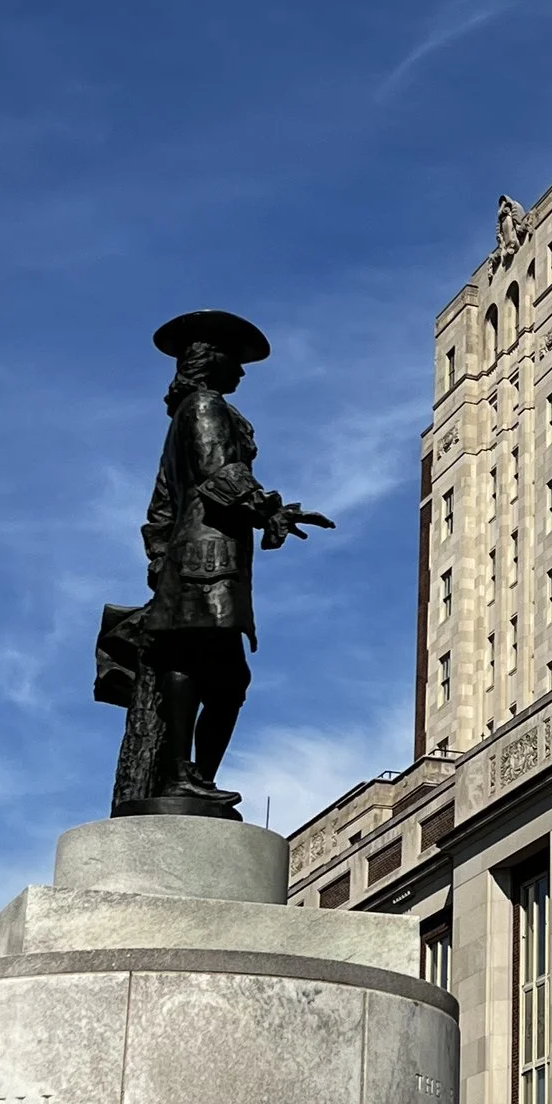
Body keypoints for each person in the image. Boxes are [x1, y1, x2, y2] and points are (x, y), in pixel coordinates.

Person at [95, 309, 328, 814]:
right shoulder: (205, 407)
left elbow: (159, 509)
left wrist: (161, 558)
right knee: (207, 667)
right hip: (207, 558)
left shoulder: (188, 414)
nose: (241, 372)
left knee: (211, 670)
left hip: (198, 557)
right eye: (235, 359)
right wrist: (272, 509)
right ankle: (184, 774)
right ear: (210, 359)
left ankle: (189, 774)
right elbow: (218, 475)